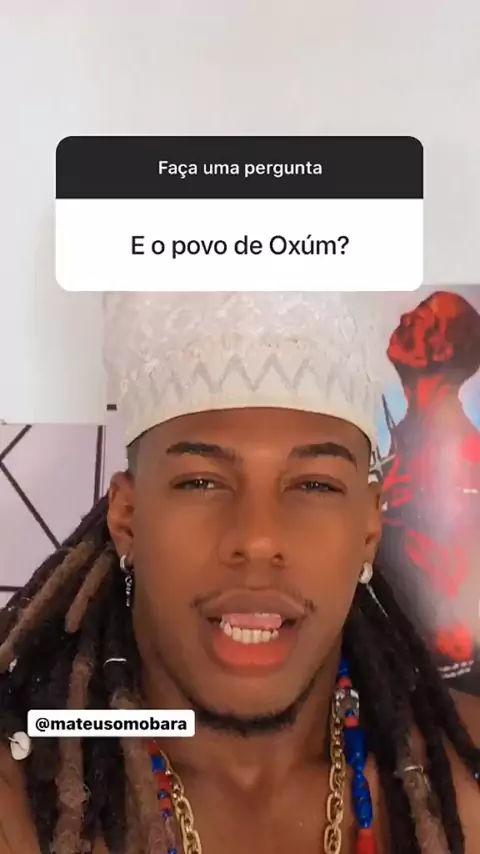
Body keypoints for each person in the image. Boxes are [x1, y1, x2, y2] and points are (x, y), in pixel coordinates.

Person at [0, 291, 479, 854]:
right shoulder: (19, 806)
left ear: (369, 527)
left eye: (315, 484)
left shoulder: (465, 779)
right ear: (127, 517)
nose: (258, 539)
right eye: (200, 481)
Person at [379, 290, 480, 694]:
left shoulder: (466, 458)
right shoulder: (403, 441)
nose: (406, 317)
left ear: (444, 350)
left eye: (424, 319)